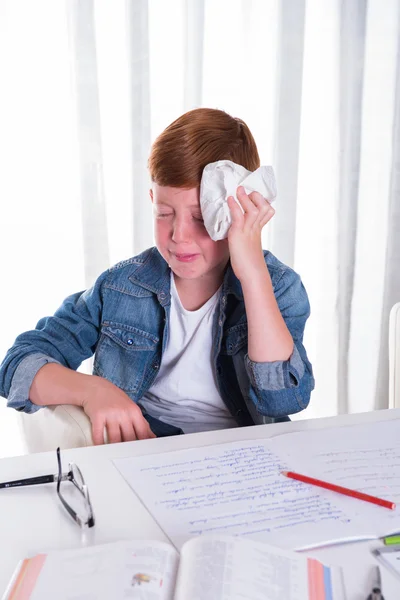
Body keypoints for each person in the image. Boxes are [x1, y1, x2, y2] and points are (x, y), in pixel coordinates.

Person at [0, 108, 314, 445]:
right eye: (164, 213)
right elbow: (17, 365)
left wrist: (252, 272)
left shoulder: (280, 287)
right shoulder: (121, 287)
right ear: (152, 200)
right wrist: (94, 391)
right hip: (147, 449)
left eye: (199, 217)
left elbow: (282, 400)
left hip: (242, 455)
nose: (179, 235)